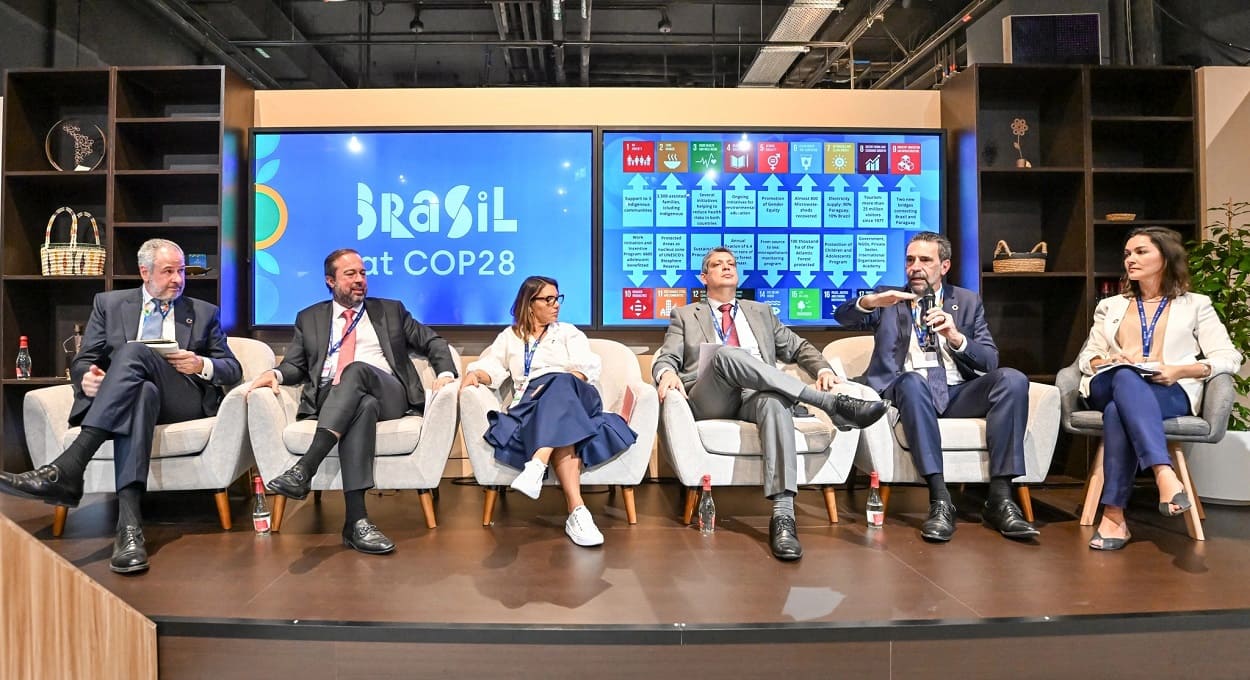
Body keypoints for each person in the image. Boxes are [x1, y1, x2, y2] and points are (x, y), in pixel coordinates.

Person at [0, 239, 241, 574]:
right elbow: (84, 360)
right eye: (168, 271)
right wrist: (86, 378)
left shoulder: (203, 312)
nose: (178, 279)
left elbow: (233, 368)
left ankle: (70, 467)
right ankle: (129, 530)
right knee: (141, 393)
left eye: (181, 270)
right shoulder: (109, 305)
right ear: (145, 272)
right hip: (130, 398)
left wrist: (200, 363)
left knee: (131, 352)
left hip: (181, 399)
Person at [653, 247, 889, 561]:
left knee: (776, 402)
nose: (726, 268)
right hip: (712, 397)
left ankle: (783, 516)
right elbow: (667, 356)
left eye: (731, 264)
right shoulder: (685, 315)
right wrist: (666, 372)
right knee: (725, 353)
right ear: (703, 277)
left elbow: (799, 347)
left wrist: (822, 370)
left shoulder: (761, 312)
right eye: (717, 264)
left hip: (756, 395)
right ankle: (830, 405)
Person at [248, 249, 457, 555]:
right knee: (362, 407)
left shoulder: (390, 310)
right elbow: (297, 366)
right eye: (351, 275)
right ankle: (356, 522)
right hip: (335, 398)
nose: (360, 280)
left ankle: (305, 467)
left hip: (390, 394)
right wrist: (276, 375)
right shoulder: (309, 318)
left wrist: (447, 372)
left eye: (362, 273)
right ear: (330, 281)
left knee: (356, 370)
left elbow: (433, 342)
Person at [834, 231, 1039, 543]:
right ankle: (940, 500)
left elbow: (989, 361)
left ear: (944, 266)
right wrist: (870, 301)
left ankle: (1000, 499)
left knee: (1012, 379)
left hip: (957, 393)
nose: (915, 267)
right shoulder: (890, 299)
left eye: (925, 260)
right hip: (907, 392)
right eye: (910, 260)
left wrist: (956, 337)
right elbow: (843, 317)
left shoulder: (967, 302)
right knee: (913, 382)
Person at [1078, 227, 1242, 550]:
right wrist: (1110, 358)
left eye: (1140, 252)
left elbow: (1229, 357)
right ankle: (1163, 472)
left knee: (1116, 412)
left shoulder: (1196, 305)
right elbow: (1087, 359)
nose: (1130, 260)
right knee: (1124, 376)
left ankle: (1114, 517)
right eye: (1127, 254)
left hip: (1165, 388)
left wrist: (1180, 369)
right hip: (1110, 381)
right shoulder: (1110, 306)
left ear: (1165, 259)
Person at [460, 276, 637, 547]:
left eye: (558, 299)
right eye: (548, 299)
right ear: (529, 304)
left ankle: (538, 462)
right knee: (559, 419)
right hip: (533, 405)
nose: (556, 305)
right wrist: (476, 375)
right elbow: (493, 367)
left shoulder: (567, 332)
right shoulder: (510, 337)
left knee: (561, 380)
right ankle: (577, 511)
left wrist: (554, 383)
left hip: (578, 396)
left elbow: (585, 368)